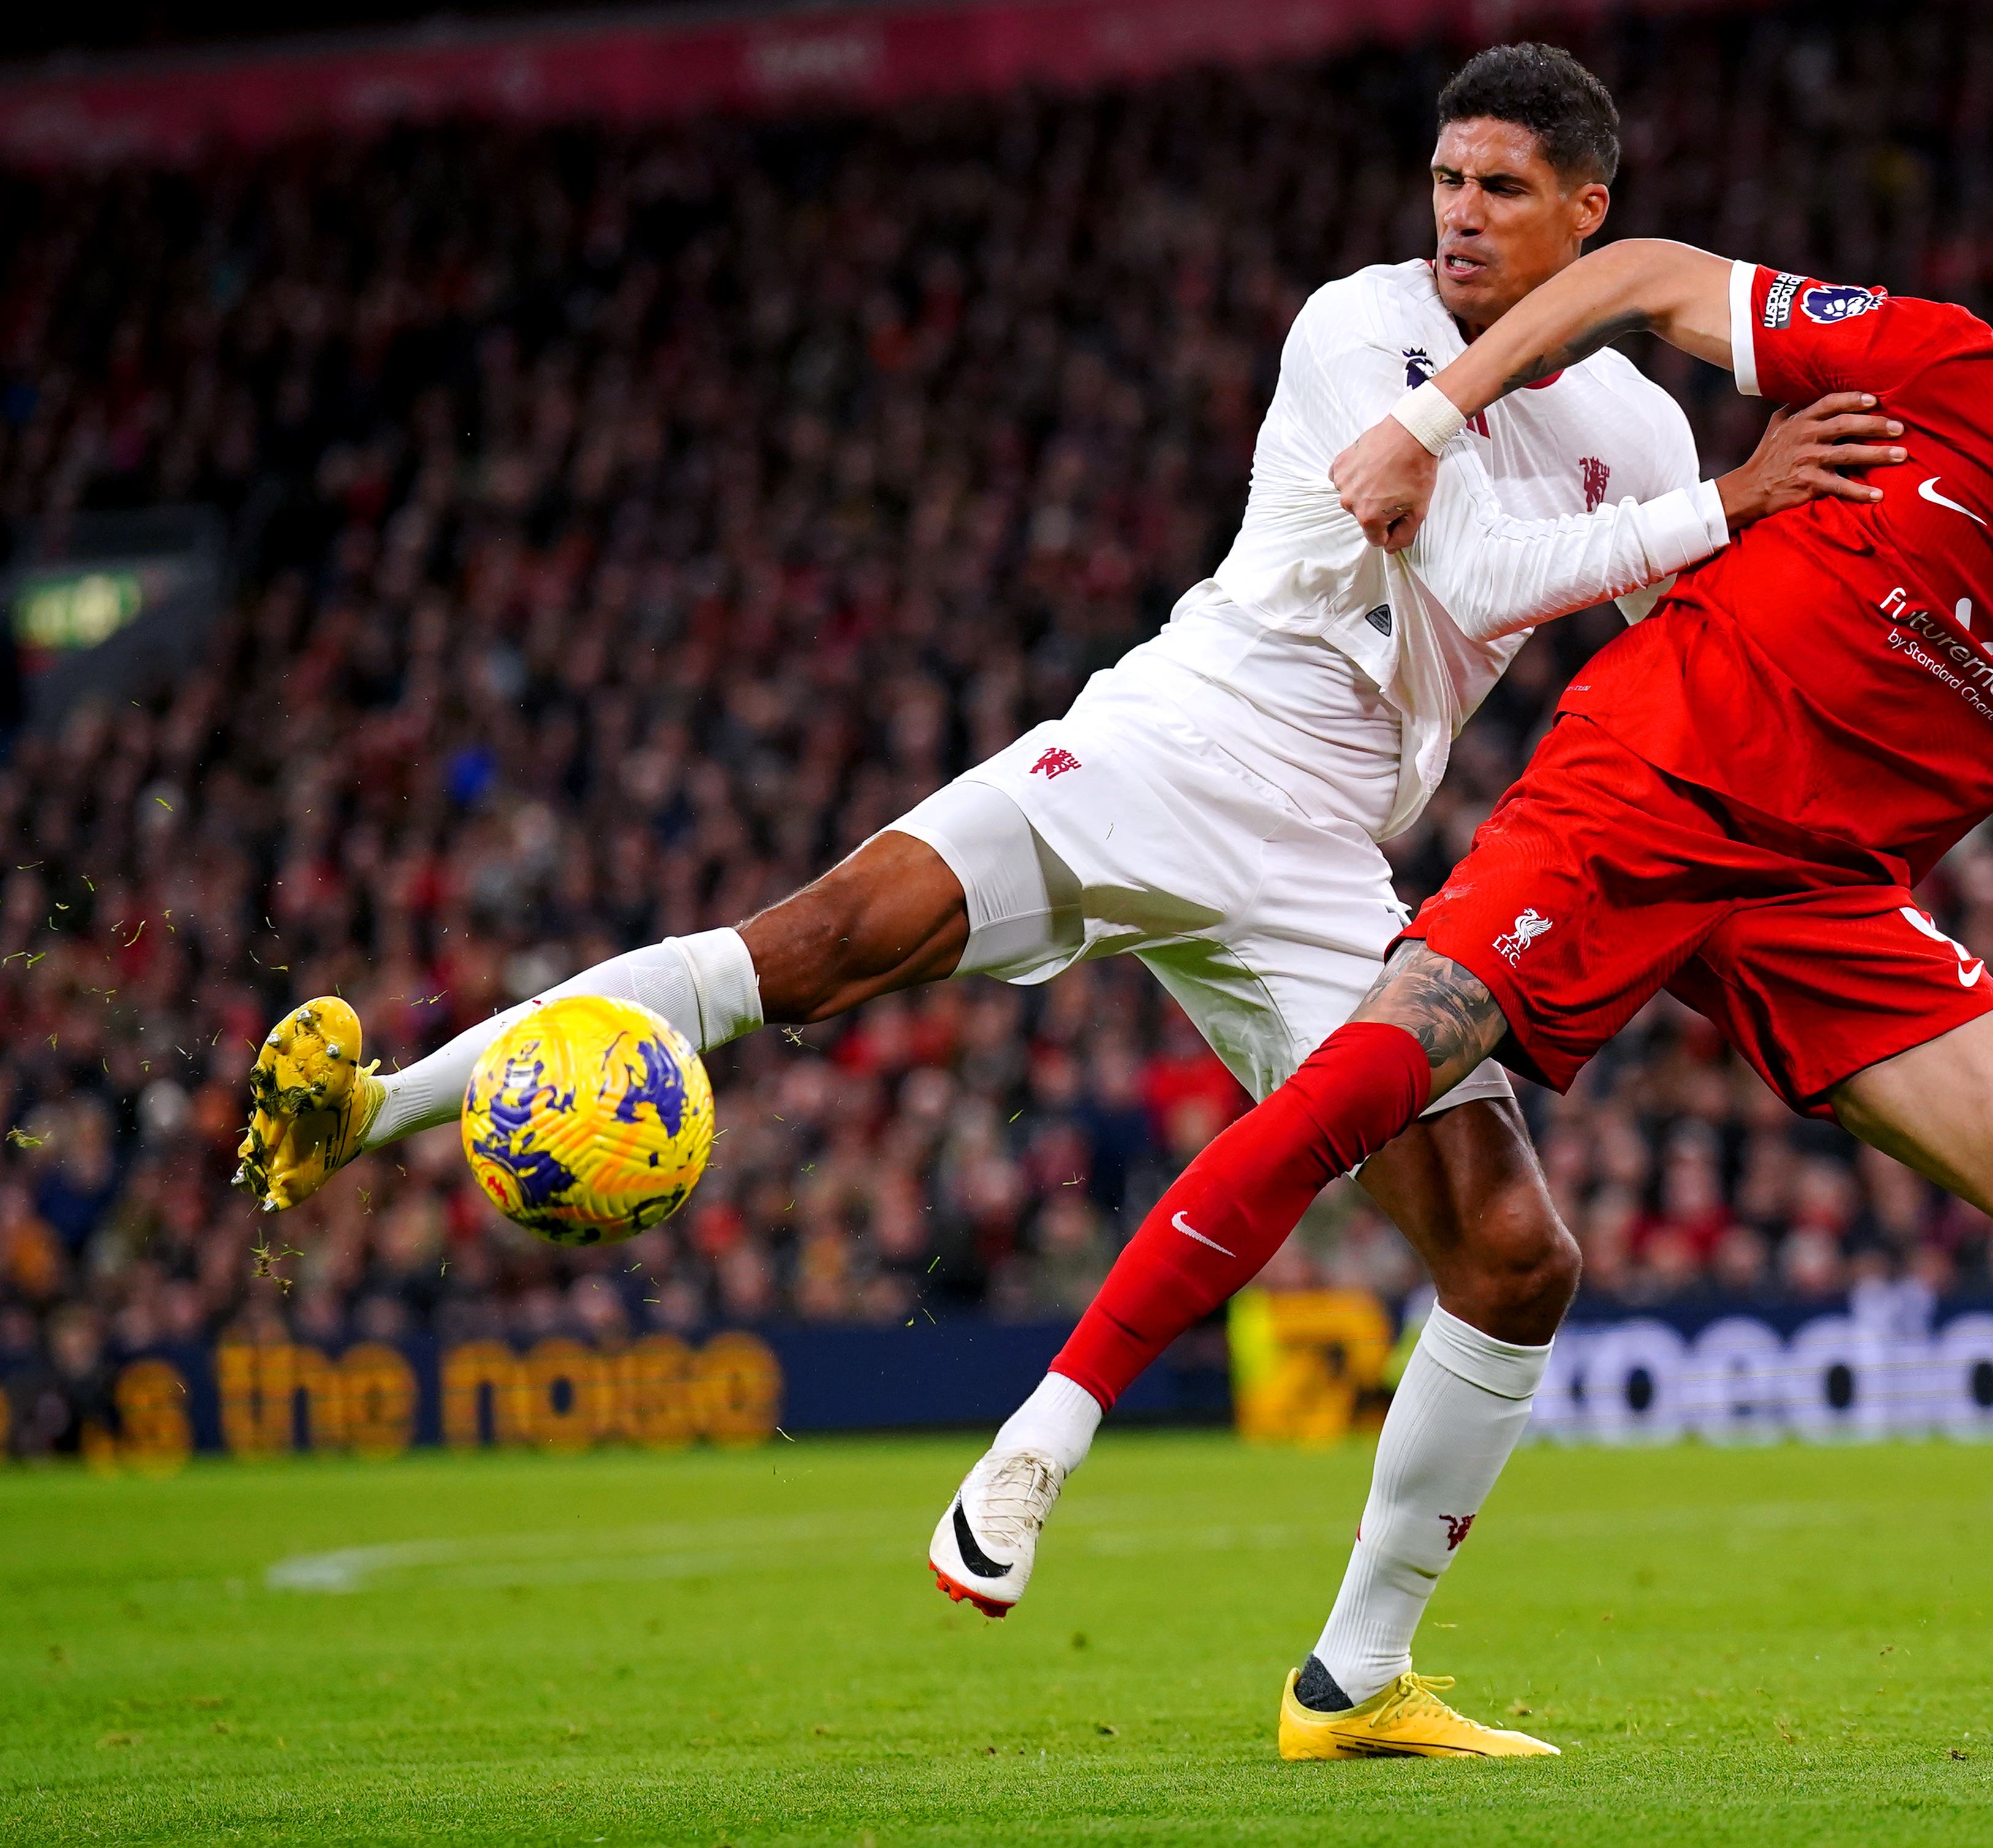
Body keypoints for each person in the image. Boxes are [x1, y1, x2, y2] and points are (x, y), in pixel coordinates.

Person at [229, 45, 1905, 1757]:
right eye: (1445, 179)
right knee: (805, 951)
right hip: (1163, 746)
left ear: (1588, 213)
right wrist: (1727, 503)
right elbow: (1471, 571)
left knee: (1511, 1255)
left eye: (1500, 188)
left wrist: (1796, 707)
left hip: (1326, 864)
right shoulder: (1360, 326)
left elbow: (1673, 673)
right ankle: (378, 1111)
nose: (1460, 217)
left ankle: (1352, 1682)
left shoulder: (1631, 427)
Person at [1040, 219, 1993, 1754]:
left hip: (1819, 890)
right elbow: (1641, 273)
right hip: (1647, 781)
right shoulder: (1928, 362)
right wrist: (1429, 421)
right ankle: (1051, 1429)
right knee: (1387, 1064)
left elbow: (1956, 736)